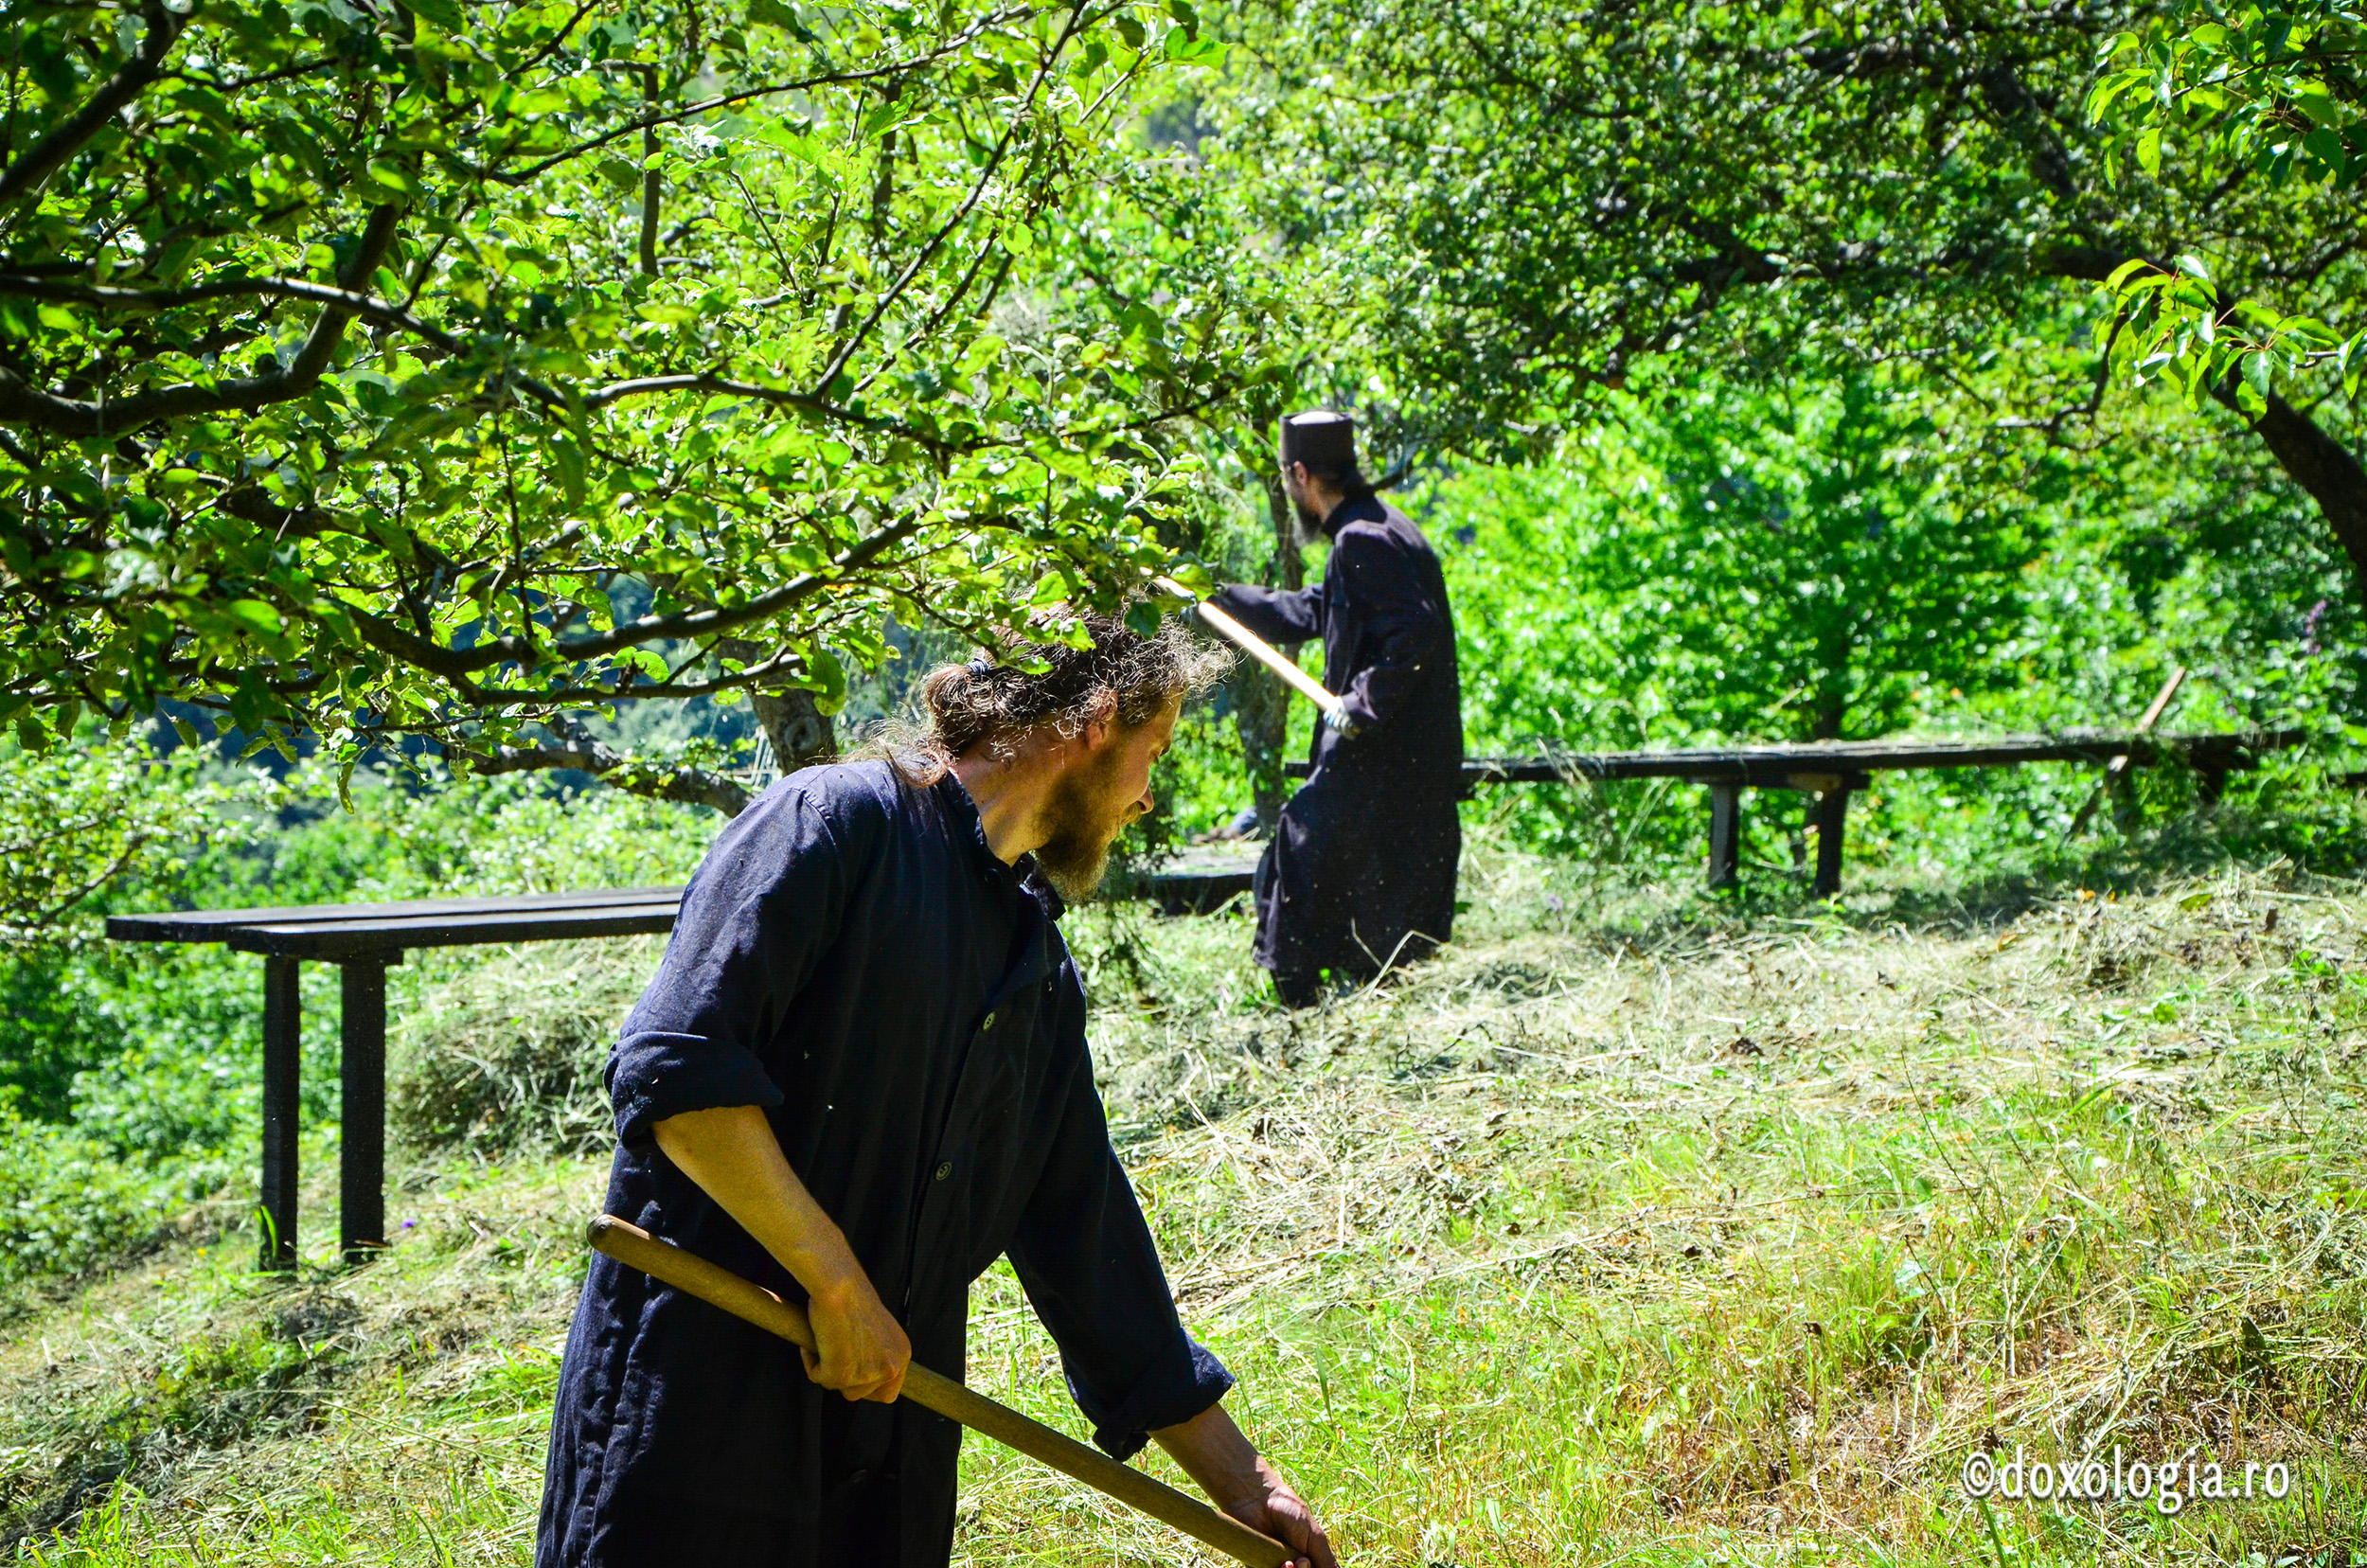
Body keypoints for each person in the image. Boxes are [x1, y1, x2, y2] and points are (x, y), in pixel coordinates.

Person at [536, 614, 1337, 1568]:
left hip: (880, 1455)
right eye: (1152, 753)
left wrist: (1246, 1485)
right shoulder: (830, 825)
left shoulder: (1028, 960)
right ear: (1099, 719)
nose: (1148, 798)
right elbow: (677, 1075)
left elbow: (1082, 1230)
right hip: (698, 1421)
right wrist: (835, 1283)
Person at [1211, 410, 1464, 1007]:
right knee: (1339, 860)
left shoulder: (1364, 539)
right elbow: (1315, 611)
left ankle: (1301, 998)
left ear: (1300, 474)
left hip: (1388, 755)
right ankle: (1355, 990)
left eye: (1286, 480)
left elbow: (1415, 637)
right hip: (1395, 755)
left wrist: (1360, 703)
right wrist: (1215, 600)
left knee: (1303, 846)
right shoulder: (1379, 527)